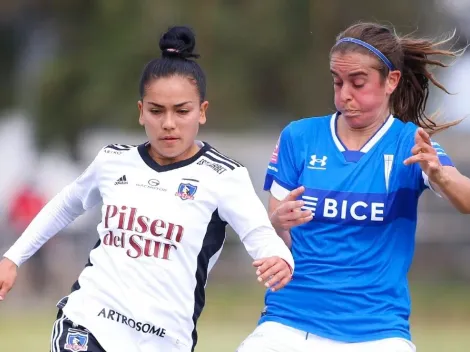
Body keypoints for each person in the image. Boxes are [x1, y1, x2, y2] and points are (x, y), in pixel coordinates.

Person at [0, 26, 294, 352]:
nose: (169, 123)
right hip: (89, 322)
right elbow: (66, 205)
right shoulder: (113, 161)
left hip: (165, 340)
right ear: (141, 112)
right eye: (157, 111)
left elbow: (260, 236)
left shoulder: (224, 176)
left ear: (202, 112)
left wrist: (280, 258)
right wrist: (13, 257)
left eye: (182, 111)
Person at [238, 22, 470, 352]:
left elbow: (466, 198)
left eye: (357, 83)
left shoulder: (409, 144)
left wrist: (441, 175)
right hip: (290, 321)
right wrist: (275, 225)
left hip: (378, 330)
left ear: (391, 81)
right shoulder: (299, 138)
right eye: (337, 82)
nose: (344, 94)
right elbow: (276, 232)